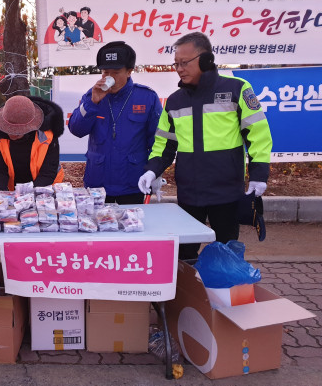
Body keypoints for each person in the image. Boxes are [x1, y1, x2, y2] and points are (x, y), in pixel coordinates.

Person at [138, 32, 272, 260]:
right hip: (189, 192)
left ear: (206, 60)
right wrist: (152, 170)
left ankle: (223, 284)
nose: (179, 69)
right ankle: (187, 284)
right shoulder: (174, 101)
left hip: (226, 191)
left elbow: (258, 135)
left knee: (226, 253)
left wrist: (259, 175)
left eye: (184, 63)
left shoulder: (237, 89)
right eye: (176, 64)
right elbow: (164, 144)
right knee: (185, 254)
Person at [68, 41, 162, 204]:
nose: (109, 77)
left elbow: (157, 141)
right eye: (105, 72)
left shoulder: (147, 97)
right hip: (97, 185)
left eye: (116, 72)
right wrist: (92, 103)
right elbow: (76, 129)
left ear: (129, 72)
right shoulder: (92, 95)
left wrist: (154, 172)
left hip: (132, 184)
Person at [0, 95, 64, 190]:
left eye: (17, 131)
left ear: (30, 126)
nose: (11, 134)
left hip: (45, 186)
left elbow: (48, 172)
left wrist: (29, 195)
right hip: (14, 189)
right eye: (8, 129)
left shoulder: (47, 136)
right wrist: (1, 193)